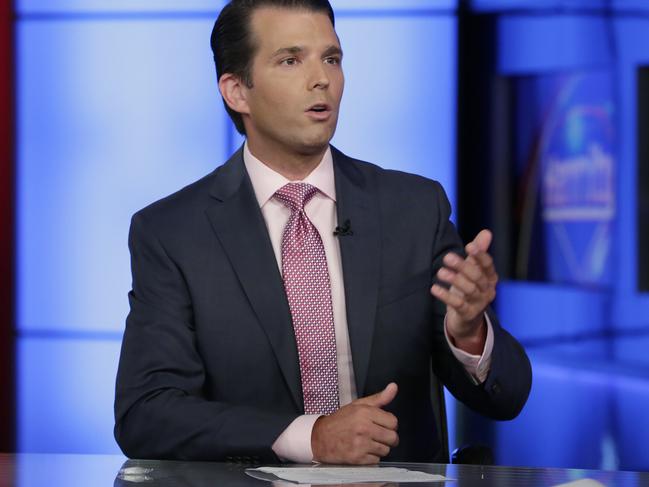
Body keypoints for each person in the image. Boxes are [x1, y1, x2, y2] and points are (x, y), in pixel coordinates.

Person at [114, 0, 531, 465]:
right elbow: (146, 414)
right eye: (291, 60)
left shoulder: (413, 209)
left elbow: (507, 397)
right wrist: (309, 437)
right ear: (237, 92)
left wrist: (470, 333)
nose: (322, 79)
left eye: (331, 58)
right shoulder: (173, 232)